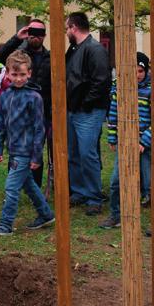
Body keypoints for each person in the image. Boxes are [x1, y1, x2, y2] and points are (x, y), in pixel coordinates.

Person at [0, 50, 54, 236]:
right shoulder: (4, 96)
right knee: (28, 185)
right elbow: (0, 123)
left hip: (25, 152)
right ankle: (45, 214)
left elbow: (39, 129)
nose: (18, 78)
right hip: (13, 149)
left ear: (29, 74)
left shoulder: (34, 98)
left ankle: (5, 223)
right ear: (7, 73)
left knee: (11, 188)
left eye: (22, 75)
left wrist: (36, 156)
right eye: (14, 74)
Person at [65, 11, 112, 216]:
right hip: (74, 109)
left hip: (88, 110)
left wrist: (85, 103)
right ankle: (79, 191)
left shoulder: (94, 50)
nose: (66, 32)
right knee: (74, 152)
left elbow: (101, 81)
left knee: (87, 153)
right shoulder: (75, 49)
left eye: (67, 28)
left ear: (74, 28)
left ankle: (94, 196)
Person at [99, 52, 152, 229]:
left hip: (145, 143)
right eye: (132, 71)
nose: (136, 75)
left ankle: (153, 220)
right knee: (116, 181)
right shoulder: (118, 88)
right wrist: (113, 137)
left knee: (148, 183)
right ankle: (116, 215)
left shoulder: (151, 90)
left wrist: (144, 142)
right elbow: (112, 114)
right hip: (124, 141)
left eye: (140, 71)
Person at [0, 19, 52, 186]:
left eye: (40, 33)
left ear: (45, 36)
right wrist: (18, 38)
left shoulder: (50, 57)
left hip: (40, 108)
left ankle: (33, 185)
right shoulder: (20, 52)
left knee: (36, 146)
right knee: (16, 148)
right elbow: (1, 57)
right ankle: (14, 182)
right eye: (32, 32)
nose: (36, 36)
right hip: (18, 109)